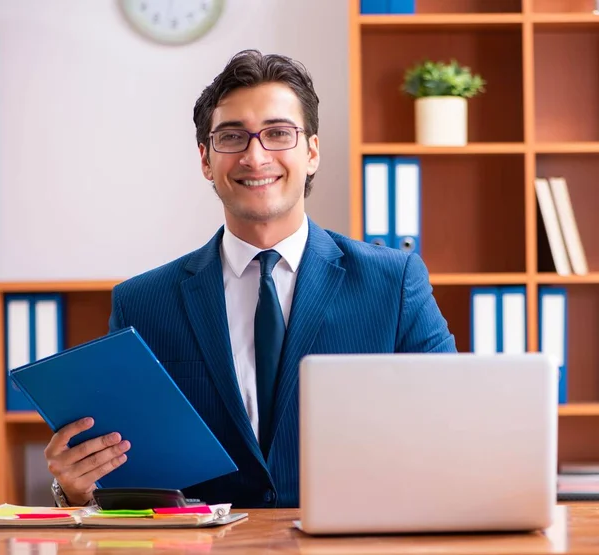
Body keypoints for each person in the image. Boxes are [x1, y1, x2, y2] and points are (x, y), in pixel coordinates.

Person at [44, 49, 457, 509]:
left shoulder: (393, 282)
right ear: (206, 160)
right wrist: (77, 489)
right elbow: (127, 483)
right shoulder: (143, 302)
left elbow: (452, 426)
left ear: (312, 152)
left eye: (278, 134)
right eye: (232, 137)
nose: (254, 156)